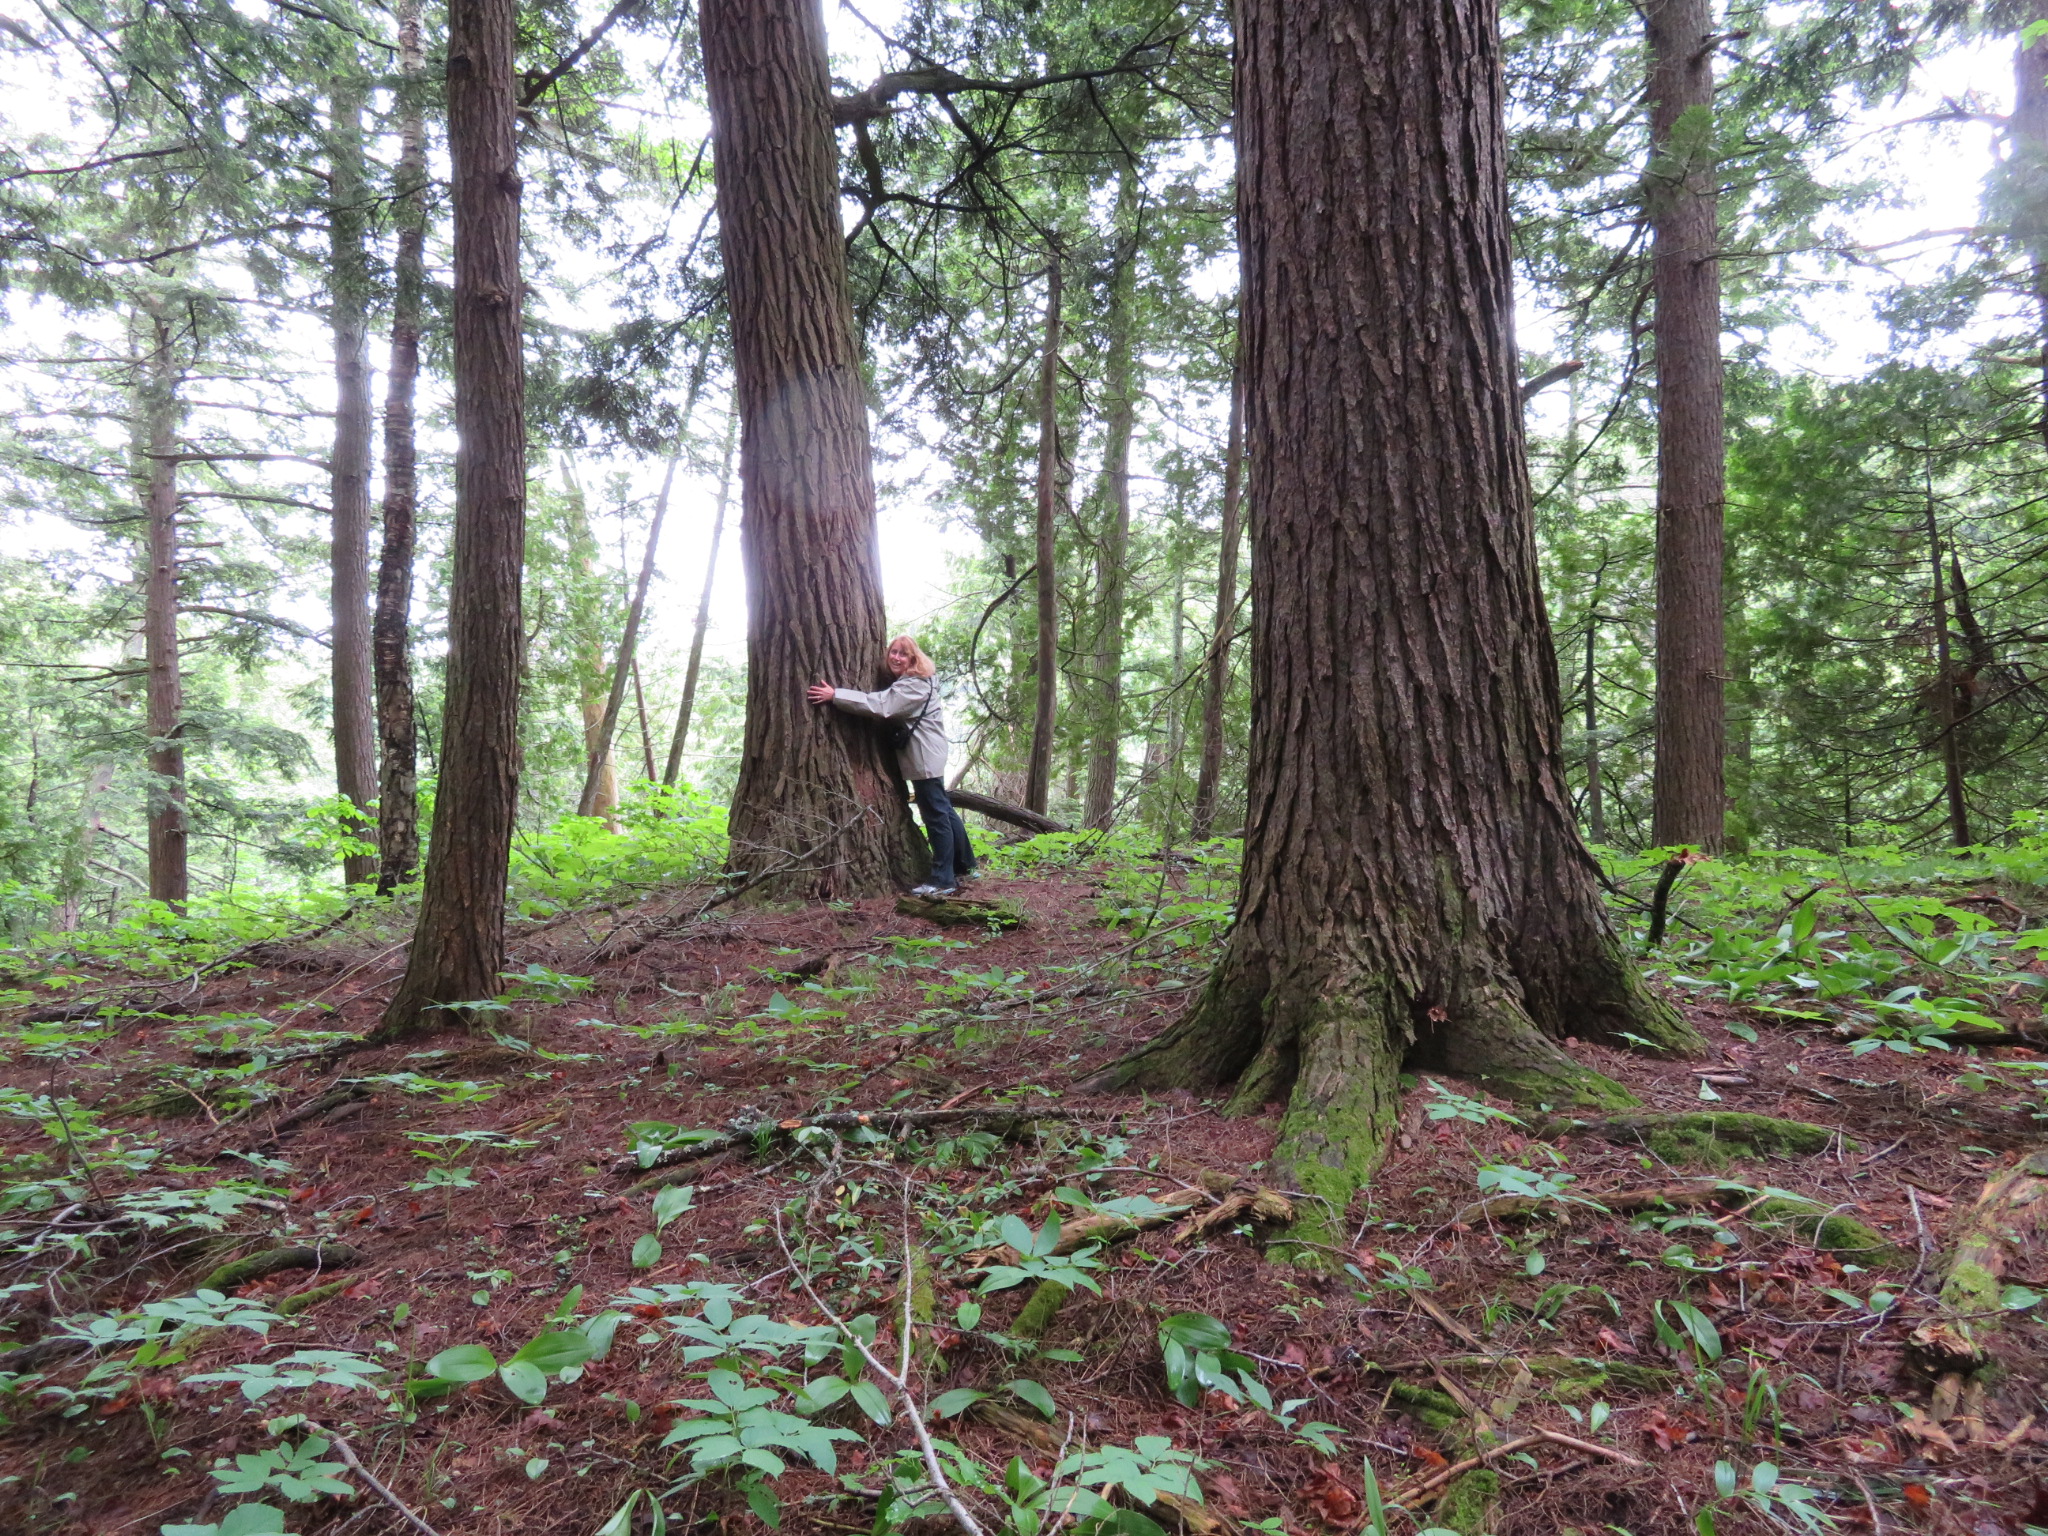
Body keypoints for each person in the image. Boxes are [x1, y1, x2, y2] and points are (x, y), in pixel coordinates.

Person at [806, 635, 978, 898]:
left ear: (913, 658)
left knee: (935, 814)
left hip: (924, 757)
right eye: (893, 652)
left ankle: (944, 880)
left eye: (903, 654)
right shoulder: (921, 680)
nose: (896, 657)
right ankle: (965, 864)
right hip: (930, 753)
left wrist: (836, 695)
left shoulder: (914, 685)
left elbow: (881, 705)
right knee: (942, 808)